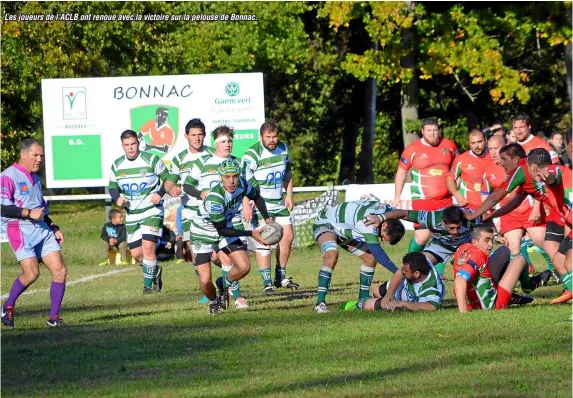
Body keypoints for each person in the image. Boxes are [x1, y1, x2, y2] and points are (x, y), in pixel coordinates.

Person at [468, 145, 571, 303]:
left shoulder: (523, 169)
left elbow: (497, 195)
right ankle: (568, 286)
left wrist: (474, 213)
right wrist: (493, 214)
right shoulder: (526, 173)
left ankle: (567, 286)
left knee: (567, 256)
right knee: (555, 252)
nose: (501, 163)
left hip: (562, 213)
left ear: (517, 160)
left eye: (504, 159)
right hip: (561, 214)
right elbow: (516, 201)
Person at [185, 159, 271, 314]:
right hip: (202, 233)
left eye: (235, 176)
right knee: (205, 281)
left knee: (244, 267)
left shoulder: (242, 184)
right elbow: (222, 230)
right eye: (227, 177)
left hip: (226, 228)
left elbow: (256, 196)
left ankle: (223, 282)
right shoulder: (215, 198)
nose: (232, 181)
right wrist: (251, 233)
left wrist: (268, 219)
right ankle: (213, 301)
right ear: (220, 178)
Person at [1, 138, 67, 327]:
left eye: (42, 156)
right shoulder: (8, 176)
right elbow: (2, 208)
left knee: (60, 270)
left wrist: (53, 227)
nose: (39, 159)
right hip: (19, 228)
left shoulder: (36, 179)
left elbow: (41, 210)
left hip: (43, 230)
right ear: (23, 155)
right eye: (35, 155)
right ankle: (8, 306)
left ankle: (53, 317)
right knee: (31, 273)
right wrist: (28, 213)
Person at [109, 129, 175, 294]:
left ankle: (147, 288)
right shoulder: (117, 165)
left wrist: (160, 194)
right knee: (138, 255)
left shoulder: (151, 159)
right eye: (127, 145)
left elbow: (169, 177)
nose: (130, 148)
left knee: (148, 249)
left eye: (133, 144)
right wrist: (117, 198)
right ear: (122, 146)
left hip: (152, 211)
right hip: (132, 213)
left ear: (138, 143)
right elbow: (112, 186)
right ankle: (155, 271)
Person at [189, 125, 248, 308]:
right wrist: (201, 194)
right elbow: (188, 185)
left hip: (232, 217)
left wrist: (246, 204)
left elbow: (246, 187)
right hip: (207, 221)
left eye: (230, 141)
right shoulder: (203, 162)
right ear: (215, 143)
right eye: (223, 141)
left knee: (229, 259)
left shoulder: (239, 163)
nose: (228, 144)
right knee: (216, 260)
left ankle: (236, 297)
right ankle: (216, 294)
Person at [312, 200, 406, 313]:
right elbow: (378, 253)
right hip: (326, 223)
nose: (380, 239)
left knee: (370, 258)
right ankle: (320, 303)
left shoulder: (389, 212)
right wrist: (399, 273)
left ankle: (363, 299)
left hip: (345, 230)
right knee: (331, 254)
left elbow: (407, 214)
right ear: (384, 224)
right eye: (382, 236)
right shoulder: (369, 221)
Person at [481, 137, 551, 286]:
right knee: (513, 246)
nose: (494, 153)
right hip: (508, 214)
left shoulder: (519, 165)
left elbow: (536, 186)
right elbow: (486, 198)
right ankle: (527, 283)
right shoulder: (488, 171)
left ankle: (558, 272)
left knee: (543, 240)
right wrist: (492, 220)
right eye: (491, 149)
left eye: (497, 149)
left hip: (529, 209)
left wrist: (537, 208)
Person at [241, 121, 298, 294]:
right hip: (259, 203)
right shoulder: (251, 155)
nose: (272, 140)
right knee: (264, 240)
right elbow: (243, 183)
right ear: (261, 137)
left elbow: (287, 173)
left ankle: (280, 276)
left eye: (275, 137)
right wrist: (246, 205)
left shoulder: (283, 148)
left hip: (278, 202)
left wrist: (289, 195)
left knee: (287, 237)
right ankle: (267, 282)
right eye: (268, 137)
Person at [393, 117, 458, 255]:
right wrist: (397, 196)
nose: (432, 133)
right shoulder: (412, 149)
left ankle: (438, 272)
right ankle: (409, 264)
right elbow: (401, 173)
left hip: (445, 200)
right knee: (423, 237)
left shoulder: (449, 146)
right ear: (422, 131)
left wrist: (458, 188)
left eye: (435, 130)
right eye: (429, 130)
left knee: (444, 236)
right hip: (422, 200)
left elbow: (459, 166)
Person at [365, 205, 485, 276]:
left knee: (478, 264)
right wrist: (380, 217)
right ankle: (385, 292)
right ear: (443, 222)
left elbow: (487, 219)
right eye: (451, 228)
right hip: (440, 246)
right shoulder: (432, 218)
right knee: (415, 267)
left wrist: (495, 236)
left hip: (464, 246)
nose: (455, 232)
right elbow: (402, 213)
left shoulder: (470, 218)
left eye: (458, 227)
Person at [453, 226, 532, 312]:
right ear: (475, 242)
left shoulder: (462, 248)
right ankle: (528, 286)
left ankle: (512, 296)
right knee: (520, 260)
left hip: (473, 303)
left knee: (503, 251)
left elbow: (453, 261)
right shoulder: (478, 255)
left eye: (491, 240)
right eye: (486, 240)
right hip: (492, 304)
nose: (490, 244)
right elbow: (460, 280)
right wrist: (463, 311)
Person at [167, 118, 214, 261]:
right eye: (193, 135)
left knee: (215, 256)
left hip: (211, 209)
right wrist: (171, 189)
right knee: (197, 256)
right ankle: (205, 283)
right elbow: (169, 183)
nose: (197, 138)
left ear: (204, 135)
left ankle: (224, 280)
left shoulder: (213, 154)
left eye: (200, 134)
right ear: (186, 136)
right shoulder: (179, 159)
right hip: (189, 211)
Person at [360, 252, 445, 312]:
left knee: (367, 305)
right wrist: (389, 293)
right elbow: (399, 273)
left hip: (403, 300)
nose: (402, 271)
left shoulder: (432, 288)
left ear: (416, 274)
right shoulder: (422, 262)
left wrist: (404, 304)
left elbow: (431, 306)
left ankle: (356, 305)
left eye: (405, 270)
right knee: (376, 291)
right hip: (402, 285)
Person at [447, 129, 490, 210]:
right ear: (469, 144)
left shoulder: (494, 158)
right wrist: (457, 195)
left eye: (480, 142)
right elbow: (450, 179)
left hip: (490, 208)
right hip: (468, 207)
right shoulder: (461, 159)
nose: (477, 146)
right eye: (473, 143)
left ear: (486, 140)